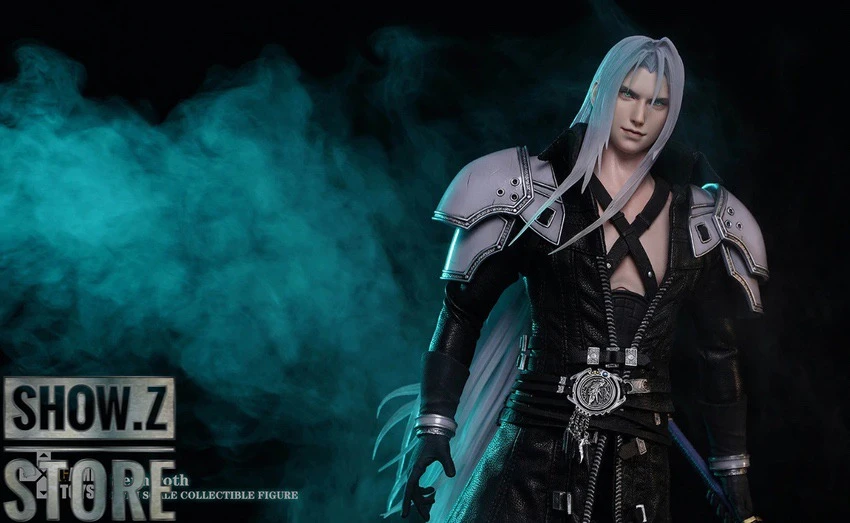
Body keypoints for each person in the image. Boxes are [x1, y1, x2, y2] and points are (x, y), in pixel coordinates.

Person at [375, 35, 767, 523]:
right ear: (601, 91)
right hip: (532, 455)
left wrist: (733, 469)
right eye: (628, 94)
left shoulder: (700, 221)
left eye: (657, 103)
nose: (639, 116)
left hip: (640, 474)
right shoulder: (532, 195)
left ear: (671, 111)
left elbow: (719, 352)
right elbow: (462, 309)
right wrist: (434, 427)